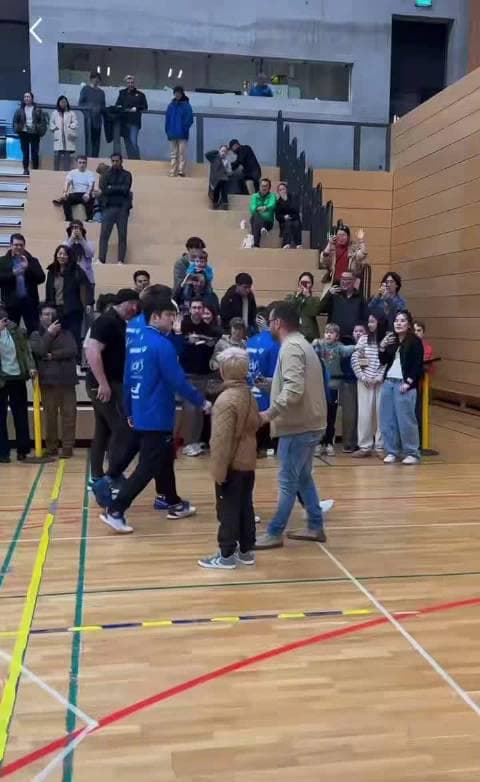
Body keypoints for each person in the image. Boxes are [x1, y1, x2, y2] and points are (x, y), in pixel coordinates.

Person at [99, 293, 210, 534]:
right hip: (156, 414)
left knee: (163, 459)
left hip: (140, 412)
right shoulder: (162, 345)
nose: (173, 320)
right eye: (170, 315)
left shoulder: (137, 343)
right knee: (148, 466)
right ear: (156, 316)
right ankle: (116, 510)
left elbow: (128, 380)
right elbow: (178, 381)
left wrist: (129, 410)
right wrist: (201, 402)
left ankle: (173, 502)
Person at [255, 301, 328, 549]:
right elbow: (295, 384)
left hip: (298, 427)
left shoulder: (291, 348)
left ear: (277, 323)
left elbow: (294, 390)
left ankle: (274, 532)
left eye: (270, 322)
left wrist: (269, 413)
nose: (268, 327)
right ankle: (315, 526)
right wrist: (270, 383)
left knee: (288, 481)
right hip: (309, 423)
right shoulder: (300, 344)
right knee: (304, 478)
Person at [198, 347, 260, 569]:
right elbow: (255, 424)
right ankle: (246, 552)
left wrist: (219, 472)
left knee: (228, 510)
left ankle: (225, 555)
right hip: (248, 462)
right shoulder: (248, 394)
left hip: (232, 464)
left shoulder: (225, 401)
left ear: (225, 370)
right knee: (245, 507)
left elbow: (221, 442)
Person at [85, 288, 139, 483]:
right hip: (104, 383)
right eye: (134, 304)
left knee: (103, 430)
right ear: (126, 303)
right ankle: (113, 476)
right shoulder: (106, 321)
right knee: (121, 429)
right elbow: (92, 351)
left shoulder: (119, 322)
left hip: (112, 381)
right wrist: (103, 383)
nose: (135, 308)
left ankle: (97, 476)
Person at [30, 304, 77, 458]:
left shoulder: (66, 333)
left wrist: (52, 356)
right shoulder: (36, 335)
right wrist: (49, 334)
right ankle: (51, 447)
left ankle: (68, 447)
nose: (49, 316)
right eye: (45, 314)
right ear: (39, 316)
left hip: (67, 381)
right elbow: (40, 351)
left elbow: (72, 350)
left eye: (52, 314)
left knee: (69, 415)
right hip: (48, 381)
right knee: (50, 416)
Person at [379, 310, 424, 465]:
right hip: (388, 382)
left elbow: (417, 365)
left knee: (406, 420)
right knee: (387, 419)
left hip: (404, 384)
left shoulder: (414, 341)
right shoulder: (392, 341)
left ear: (409, 324)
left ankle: (412, 452)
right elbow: (383, 361)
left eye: (403, 320)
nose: (398, 323)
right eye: (396, 320)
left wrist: (409, 382)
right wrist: (382, 347)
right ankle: (392, 451)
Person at [179, 299, 219, 456]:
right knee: (189, 409)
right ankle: (188, 443)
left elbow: (213, 345)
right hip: (186, 374)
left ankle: (196, 441)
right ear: (190, 309)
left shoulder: (208, 329)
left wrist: (210, 345)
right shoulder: (182, 326)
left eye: (199, 307)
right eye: (194, 307)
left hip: (202, 374)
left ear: (203, 310)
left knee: (200, 409)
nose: (196, 310)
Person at [313, 323, 357, 457]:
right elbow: (309, 351)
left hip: (334, 385)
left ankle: (329, 443)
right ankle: (319, 443)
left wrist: (359, 346)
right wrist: (313, 344)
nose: (328, 335)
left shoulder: (339, 348)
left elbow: (349, 349)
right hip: (321, 385)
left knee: (331, 415)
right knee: (321, 415)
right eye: (326, 332)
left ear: (337, 336)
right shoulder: (319, 345)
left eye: (331, 333)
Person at [0, 306, 35, 463]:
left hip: (17, 377)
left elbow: (26, 351)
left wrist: (31, 367)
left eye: (5, 318)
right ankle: (3, 453)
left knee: (20, 415)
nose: (4, 321)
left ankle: (22, 450)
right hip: (1, 379)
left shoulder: (17, 331)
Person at [45, 244, 93, 358]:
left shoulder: (76, 270)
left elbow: (86, 287)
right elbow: (48, 290)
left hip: (73, 310)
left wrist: (89, 303)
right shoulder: (51, 271)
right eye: (60, 253)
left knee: (74, 336)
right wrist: (48, 306)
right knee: (57, 336)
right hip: (56, 310)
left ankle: (76, 361)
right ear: (56, 255)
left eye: (65, 254)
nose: (62, 256)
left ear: (69, 256)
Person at [351, 314, 386, 459]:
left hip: (380, 382)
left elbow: (386, 361)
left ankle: (380, 447)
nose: (370, 325)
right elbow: (356, 358)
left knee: (380, 414)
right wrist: (363, 377)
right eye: (369, 322)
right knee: (364, 414)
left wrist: (379, 377)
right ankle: (364, 446)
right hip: (364, 382)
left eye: (373, 321)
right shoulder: (364, 339)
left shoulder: (385, 340)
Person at [246, 308, 280, 455]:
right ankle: (268, 447)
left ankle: (256, 447)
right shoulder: (275, 343)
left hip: (251, 391)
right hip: (267, 393)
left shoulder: (250, 341)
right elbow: (276, 373)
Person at [0, 233, 45, 334]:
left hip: (30, 304)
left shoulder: (32, 260)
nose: (19, 247)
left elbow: (41, 278)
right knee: (11, 333)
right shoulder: (2, 261)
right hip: (11, 304)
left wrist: (27, 268)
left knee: (34, 332)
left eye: (21, 245)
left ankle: (34, 350)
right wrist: (13, 274)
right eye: (16, 245)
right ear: (10, 245)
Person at [98, 153, 132, 264]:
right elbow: (103, 189)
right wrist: (117, 188)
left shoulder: (127, 174)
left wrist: (111, 187)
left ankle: (120, 260)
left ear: (121, 161)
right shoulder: (106, 174)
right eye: (112, 161)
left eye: (117, 161)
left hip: (122, 208)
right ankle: (101, 259)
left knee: (122, 236)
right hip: (108, 207)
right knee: (104, 235)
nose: (115, 163)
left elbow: (126, 189)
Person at [320, 270, 367, 344]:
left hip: (353, 340)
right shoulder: (334, 295)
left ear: (354, 281)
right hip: (334, 340)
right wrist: (328, 294)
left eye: (348, 279)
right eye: (342, 279)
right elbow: (321, 309)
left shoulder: (360, 298)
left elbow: (365, 318)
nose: (344, 281)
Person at [53, 155, 96, 222]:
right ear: (77, 163)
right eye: (80, 162)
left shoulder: (90, 173)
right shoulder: (72, 172)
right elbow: (67, 182)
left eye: (84, 162)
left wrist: (87, 193)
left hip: (85, 194)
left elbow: (91, 185)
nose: (82, 164)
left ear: (86, 163)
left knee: (91, 197)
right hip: (75, 194)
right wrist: (65, 192)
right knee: (66, 199)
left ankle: (89, 218)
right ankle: (69, 219)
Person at [13, 91, 46, 175]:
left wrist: (39, 130)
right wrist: (18, 128)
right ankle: (25, 169)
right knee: (25, 152)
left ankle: (35, 170)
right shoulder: (19, 110)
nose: (26, 98)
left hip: (34, 133)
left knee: (35, 153)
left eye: (28, 97)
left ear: (32, 98)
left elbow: (42, 122)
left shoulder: (38, 109)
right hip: (23, 133)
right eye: (25, 97)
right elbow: (15, 121)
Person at [115, 74, 148, 159]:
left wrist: (136, 108)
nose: (130, 84)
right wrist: (120, 108)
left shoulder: (140, 95)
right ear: (126, 83)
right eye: (128, 82)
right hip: (124, 121)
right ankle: (131, 160)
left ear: (134, 83)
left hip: (134, 121)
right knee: (127, 143)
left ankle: (137, 160)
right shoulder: (122, 93)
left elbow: (145, 106)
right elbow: (118, 104)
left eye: (132, 82)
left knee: (133, 142)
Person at [285, 272, 323, 342]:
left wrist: (308, 297)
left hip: (309, 336)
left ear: (311, 285)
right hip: (294, 334)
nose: (305, 285)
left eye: (308, 282)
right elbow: (288, 311)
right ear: (299, 283)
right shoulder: (290, 297)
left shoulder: (315, 299)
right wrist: (296, 297)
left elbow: (314, 312)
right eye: (302, 282)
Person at [165, 85, 194, 177]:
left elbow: (189, 119)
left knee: (182, 153)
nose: (177, 95)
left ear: (182, 94)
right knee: (173, 153)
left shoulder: (186, 106)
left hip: (182, 133)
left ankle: (181, 170)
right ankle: (173, 170)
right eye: (176, 93)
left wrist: (184, 128)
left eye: (178, 93)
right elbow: (167, 119)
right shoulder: (171, 105)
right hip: (172, 133)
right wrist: (167, 130)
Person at [79, 72, 106, 158]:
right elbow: (81, 104)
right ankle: (88, 158)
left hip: (98, 120)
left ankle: (95, 158)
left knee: (96, 141)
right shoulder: (85, 89)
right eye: (94, 78)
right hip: (88, 120)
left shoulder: (101, 92)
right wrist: (87, 114)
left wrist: (100, 111)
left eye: (98, 78)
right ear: (91, 79)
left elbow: (103, 106)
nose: (96, 80)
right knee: (89, 140)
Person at [65, 220, 95, 295]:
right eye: (73, 228)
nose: (75, 230)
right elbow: (64, 252)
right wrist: (71, 239)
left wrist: (81, 239)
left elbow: (90, 253)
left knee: (86, 304)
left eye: (78, 228)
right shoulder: (66, 242)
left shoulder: (88, 243)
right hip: (71, 279)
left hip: (87, 279)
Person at [49, 96, 78, 172]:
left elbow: (75, 123)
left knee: (67, 156)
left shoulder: (71, 113)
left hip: (67, 137)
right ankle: (55, 172)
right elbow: (51, 122)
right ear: (58, 103)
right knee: (56, 155)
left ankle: (66, 172)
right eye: (61, 102)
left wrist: (69, 126)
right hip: (58, 136)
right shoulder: (55, 113)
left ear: (67, 103)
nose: (63, 103)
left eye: (64, 102)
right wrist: (54, 128)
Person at [249, 178, 277, 248]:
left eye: (266, 186)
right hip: (257, 219)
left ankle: (254, 240)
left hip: (268, 222)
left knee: (255, 220)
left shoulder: (272, 196)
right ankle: (260, 233)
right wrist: (261, 209)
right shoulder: (254, 196)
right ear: (259, 187)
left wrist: (265, 208)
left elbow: (272, 205)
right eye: (262, 186)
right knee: (255, 217)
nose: (264, 187)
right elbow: (252, 208)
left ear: (269, 187)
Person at [275, 182, 302, 248]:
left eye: (283, 189)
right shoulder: (278, 202)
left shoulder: (293, 198)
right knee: (288, 223)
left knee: (296, 223)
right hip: (284, 222)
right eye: (280, 190)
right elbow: (277, 216)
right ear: (278, 192)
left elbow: (296, 210)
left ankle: (298, 244)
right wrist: (284, 217)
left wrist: (286, 201)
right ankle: (286, 243)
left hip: (294, 218)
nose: (282, 191)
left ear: (286, 189)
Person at [206, 144, 232, 209]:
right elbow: (207, 154)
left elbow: (230, 172)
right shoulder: (214, 158)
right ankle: (215, 204)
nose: (223, 153)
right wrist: (216, 152)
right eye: (222, 151)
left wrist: (225, 168)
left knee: (224, 191)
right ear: (219, 151)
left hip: (223, 179)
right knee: (216, 190)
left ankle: (225, 205)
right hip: (215, 180)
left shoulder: (227, 161)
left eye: (225, 152)